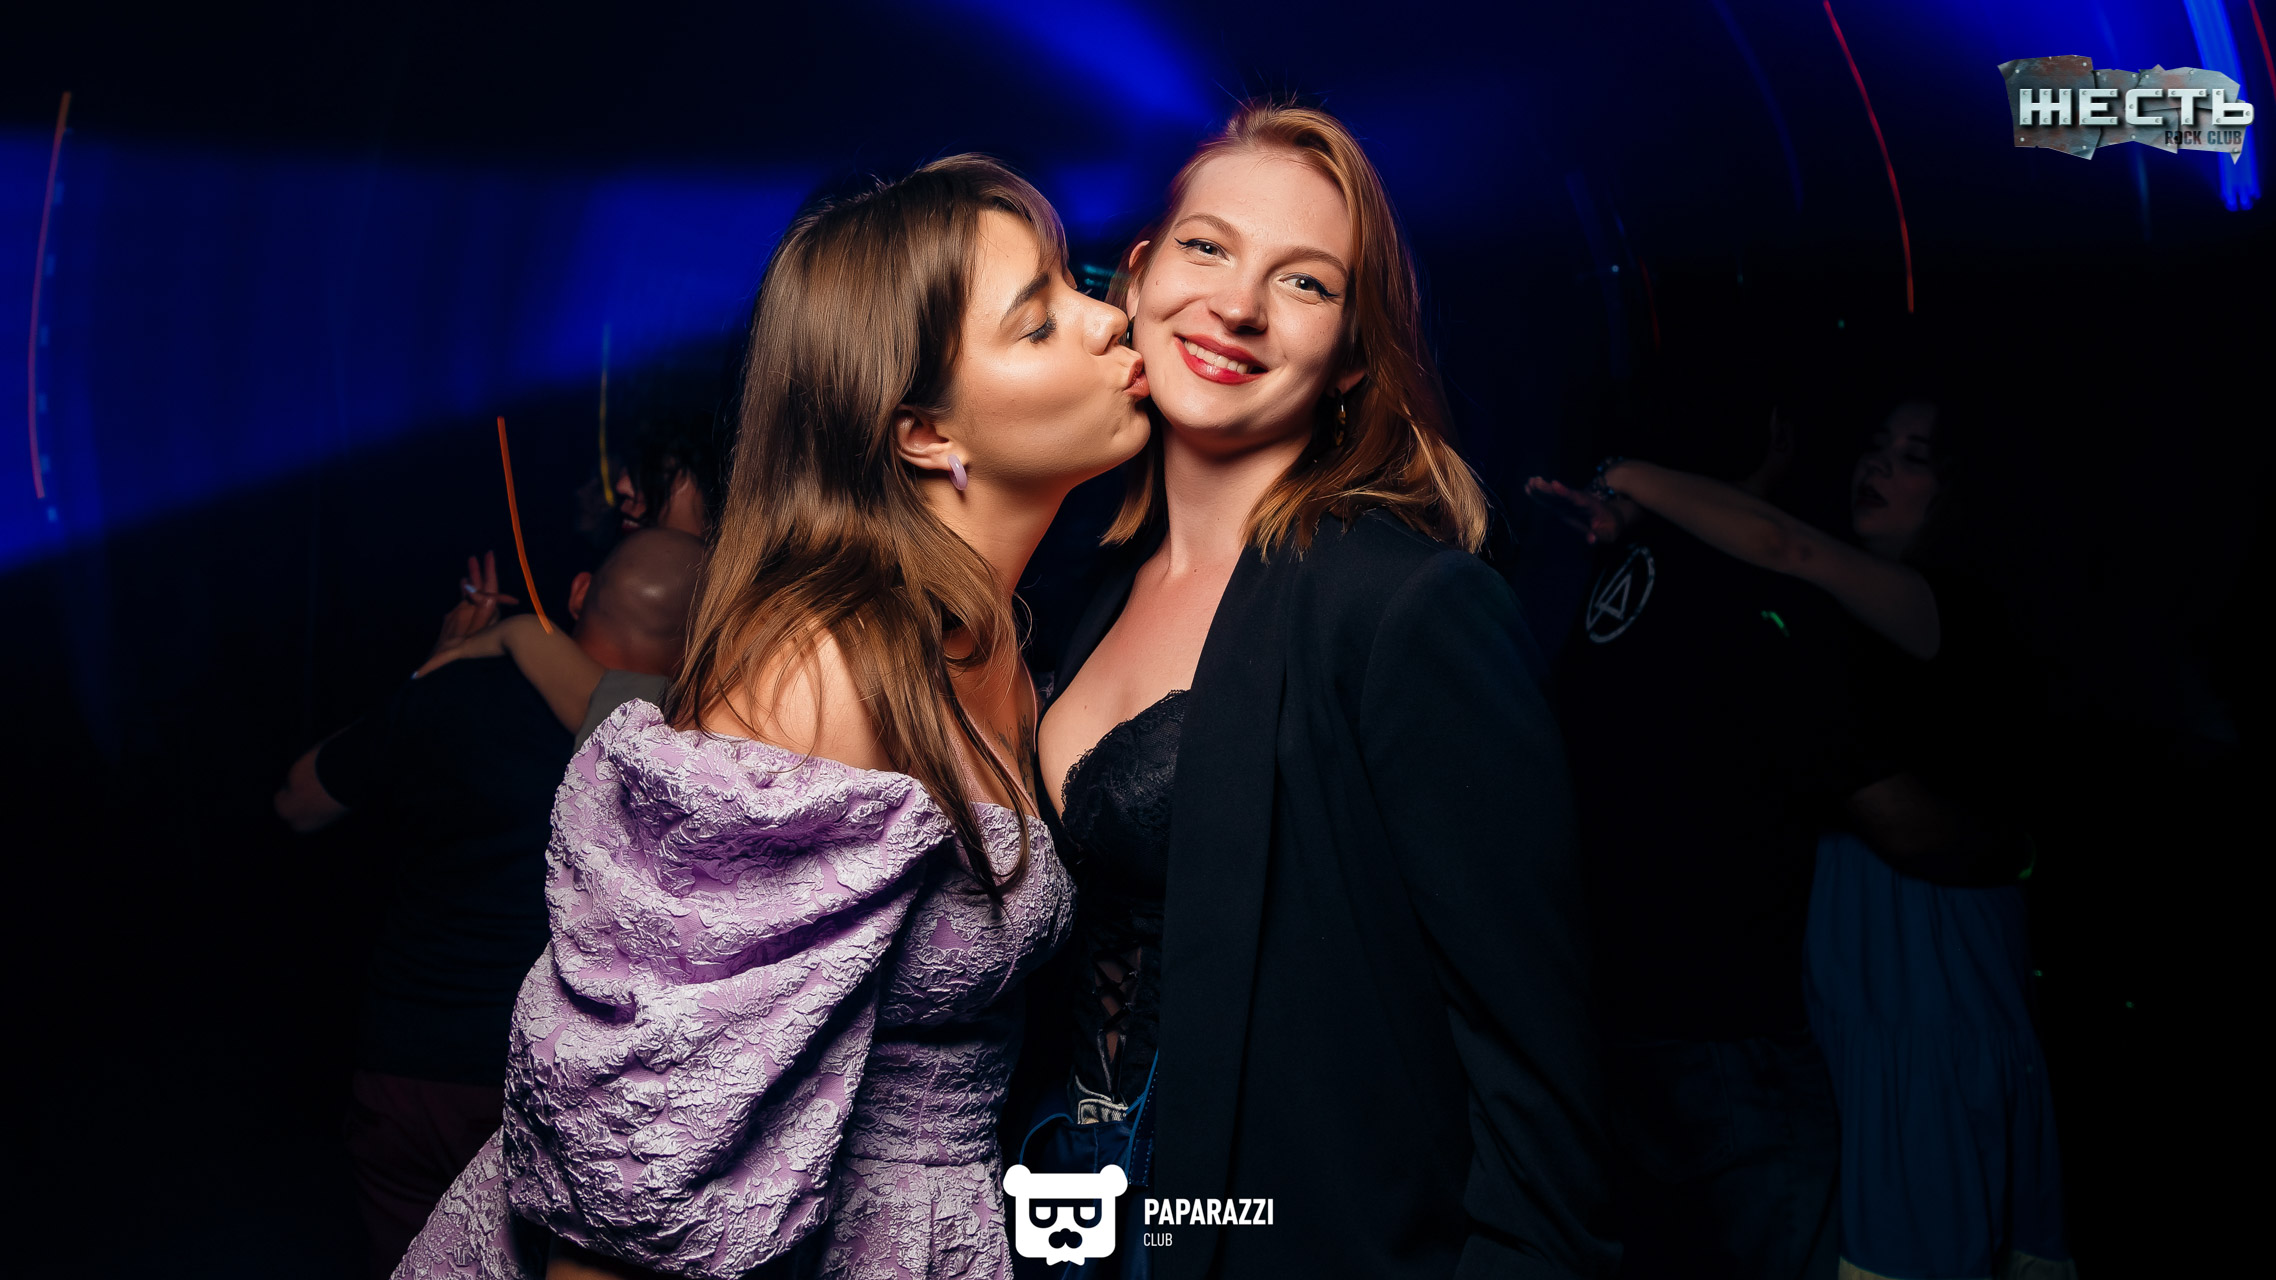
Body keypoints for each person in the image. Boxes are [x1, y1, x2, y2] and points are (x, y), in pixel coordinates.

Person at [394, 154, 1151, 1280]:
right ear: (924, 433)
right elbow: (639, 1163)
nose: (1108, 318)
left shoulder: (998, 640)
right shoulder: (822, 670)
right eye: (1038, 323)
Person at [1027, 100, 1616, 1280]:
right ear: (1137, 277)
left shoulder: (1405, 605)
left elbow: (1541, 1098)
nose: (1236, 304)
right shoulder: (1089, 580)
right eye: (1205, 247)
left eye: (1303, 281)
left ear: (1351, 353)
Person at [1531, 401, 2073, 1279]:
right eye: (1876, 446)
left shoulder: (1948, 603)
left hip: (1929, 948)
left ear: (1958, 493)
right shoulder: (1837, 599)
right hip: (1852, 957)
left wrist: (1625, 480)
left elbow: (1783, 544)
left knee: (1924, 1211)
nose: (1879, 466)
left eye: (1914, 457)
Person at [272, 533, 707, 1280]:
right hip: (550, 1078)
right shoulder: (684, 751)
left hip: (407, 1063)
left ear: (578, 594)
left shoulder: (453, 692)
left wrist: (430, 672)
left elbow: (296, 802)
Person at [419, 528, 708, 748]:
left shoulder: (450, 699)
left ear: (580, 592)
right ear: (697, 653)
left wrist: (445, 662)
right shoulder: (690, 753)